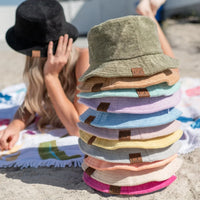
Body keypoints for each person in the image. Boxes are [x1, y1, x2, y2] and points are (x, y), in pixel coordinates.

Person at [0, 0, 89, 150]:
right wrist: (16, 125)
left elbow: (78, 129)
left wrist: (51, 77)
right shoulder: (41, 63)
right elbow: (31, 101)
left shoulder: (84, 59)